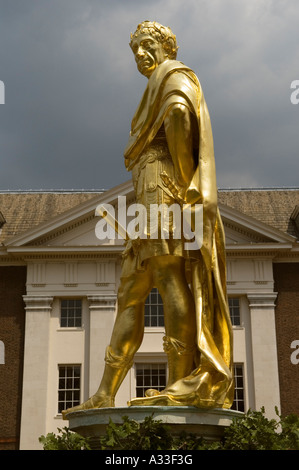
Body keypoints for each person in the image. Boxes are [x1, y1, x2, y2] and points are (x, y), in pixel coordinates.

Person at [63, 21, 233, 417]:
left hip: (164, 193)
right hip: (145, 201)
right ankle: (105, 393)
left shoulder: (173, 76)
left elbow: (179, 116)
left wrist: (186, 182)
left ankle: (177, 382)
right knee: (130, 293)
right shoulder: (155, 85)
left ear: (165, 46)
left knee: (168, 277)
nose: (140, 54)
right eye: (135, 48)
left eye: (147, 45)